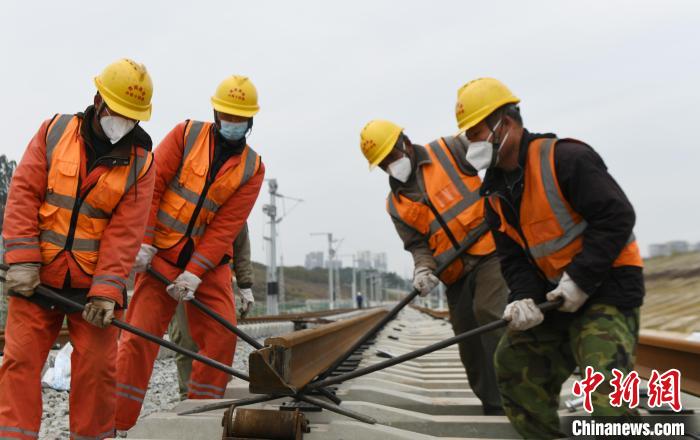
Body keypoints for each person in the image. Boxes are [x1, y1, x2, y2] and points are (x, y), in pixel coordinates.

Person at [455, 77, 644, 438]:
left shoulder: (566, 159)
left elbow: (617, 216)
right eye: (470, 136)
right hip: (555, 295)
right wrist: (522, 297)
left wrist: (580, 279)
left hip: (608, 287)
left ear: (506, 124)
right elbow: (513, 258)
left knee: (606, 393)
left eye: (477, 133)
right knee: (513, 364)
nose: (472, 143)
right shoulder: (494, 193)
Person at [0, 58, 155, 439]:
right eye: (118, 113)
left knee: (99, 372)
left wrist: (106, 292)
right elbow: (23, 196)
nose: (123, 123)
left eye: (132, 118)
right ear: (98, 100)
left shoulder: (141, 163)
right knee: (19, 362)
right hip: (37, 276)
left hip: (92, 288)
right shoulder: (54, 132)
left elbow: (125, 233)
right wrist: (20, 260)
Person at [115, 75, 265, 431]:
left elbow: (226, 227)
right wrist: (146, 240)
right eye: (226, 116)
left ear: (251, 121)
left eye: (239, 118)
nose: (232, 123)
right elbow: (151, 184)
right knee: (137, 338)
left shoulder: (252, 169)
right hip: (160, 256)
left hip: (209, 266)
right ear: (215, 112)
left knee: (221, 336)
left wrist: (195, 272)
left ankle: (202, 417)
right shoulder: (185, 135)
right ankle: (115, 422)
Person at [359, 120, 509, 414]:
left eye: (393, 154)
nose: (392, 163)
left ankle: (521, 388)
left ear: (405, 140)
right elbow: (418, 246)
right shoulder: (396, 204)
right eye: (384, 162)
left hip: (490, 251)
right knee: (468, 340)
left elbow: (493, 159)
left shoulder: (449, 149)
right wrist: (423, 270)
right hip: (454, 272)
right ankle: (494, 403)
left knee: (489, 313)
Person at [167, 223, 255, 400]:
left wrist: (245, 285)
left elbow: (240, 240)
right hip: (180, 271)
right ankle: (189, 396)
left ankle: (213, 392)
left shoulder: (231, 201)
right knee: (185, 338)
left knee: (222, 336)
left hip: (217, 272)